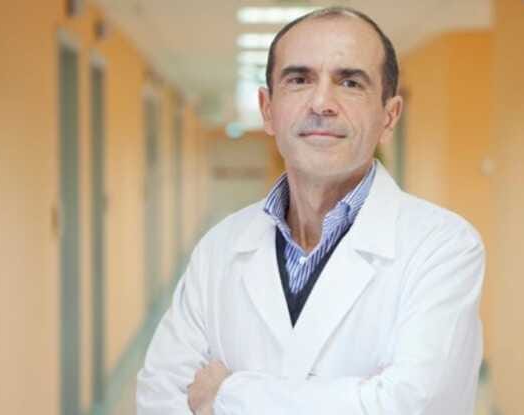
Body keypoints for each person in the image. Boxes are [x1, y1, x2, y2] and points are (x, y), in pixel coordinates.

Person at [136, 6, 484, 415]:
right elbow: (159, 397)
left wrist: (227, 395)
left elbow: (411, 406)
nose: (321, 103)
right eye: (299, 80)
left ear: (389, 117)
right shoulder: (219, 248)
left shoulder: (443, 247)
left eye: (350, 82)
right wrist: (358, 398)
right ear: (268, 109)